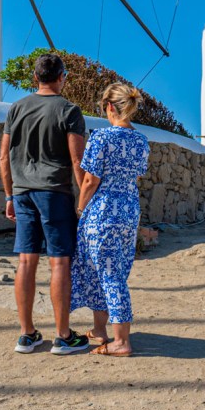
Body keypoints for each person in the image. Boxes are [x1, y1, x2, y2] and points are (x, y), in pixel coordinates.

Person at [0, 52, 90, 355]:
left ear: (35, 77)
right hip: (54, 193)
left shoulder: (16, 108)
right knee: (59, 261)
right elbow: (77, 160)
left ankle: (27, 335)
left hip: (22, 191)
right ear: (62, 77)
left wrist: (10, 195)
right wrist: (84, 199)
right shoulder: (69, 110)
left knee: (26, 261)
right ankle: (63, 336)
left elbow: (3, 157)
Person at [71, 82, 151, 357]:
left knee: (109, 274)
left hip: (103, 211)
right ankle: (100, 330)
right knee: (110, 270)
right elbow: (137, 175)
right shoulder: (141, 140)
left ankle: (121, 341)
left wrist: (80, 209)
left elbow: (91, 179)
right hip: (129, 210)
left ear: (109, 106)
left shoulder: (101, 137)